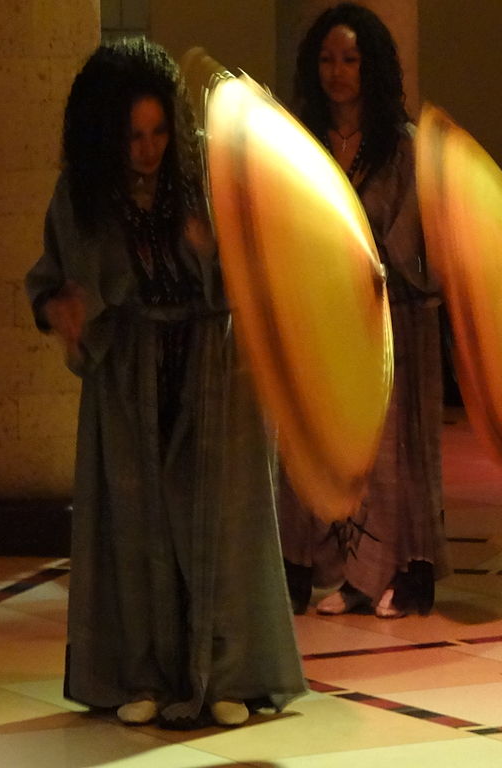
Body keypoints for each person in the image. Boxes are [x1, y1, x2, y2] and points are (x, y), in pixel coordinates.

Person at [24, 38, 305, 728]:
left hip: (216, 365)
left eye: (157, 133)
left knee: (225, 520)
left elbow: (272, 255)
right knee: (137, 524)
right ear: (103, 137)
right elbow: (49, 280)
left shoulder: (207, 171)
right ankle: (141, 672)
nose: (148, 150)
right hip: (129, 373)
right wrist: (60, 309)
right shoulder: (80, 197)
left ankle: (230, 673)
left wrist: (221, 253)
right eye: (131, 138)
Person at [279, 2, 447, 619]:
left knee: (390, 449)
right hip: (323, 316)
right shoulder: (301, 141)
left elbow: (415, 236)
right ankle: (322, 567)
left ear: (371, 65)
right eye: (326, 59)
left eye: (350, 58)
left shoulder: (400, 148)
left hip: (389, 314)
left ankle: (399, 574)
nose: (337, 71)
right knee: (318, 441)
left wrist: (369, 259)